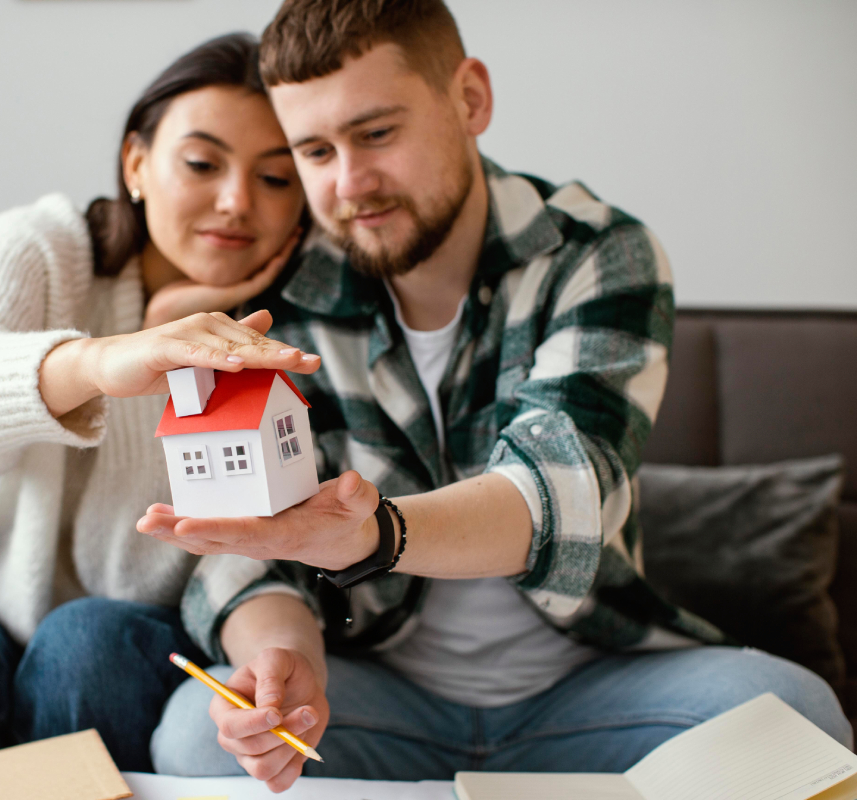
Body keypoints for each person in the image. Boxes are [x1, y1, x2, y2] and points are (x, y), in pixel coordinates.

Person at [140, 1, 852, 791]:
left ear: (470, 99)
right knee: (196, 740)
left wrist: (374, 534)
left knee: (795, 715)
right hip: (381, 694)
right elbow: (247, 554)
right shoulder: (288, 290)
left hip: (594, 687)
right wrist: (285, 665)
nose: (349, 185)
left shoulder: (597, 253)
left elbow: (557, 492)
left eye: (378, 133)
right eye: (314, 150)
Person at [0, 32, 321, 771]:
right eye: (203, 164)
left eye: (275, 179)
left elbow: (256, 547)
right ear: (137, 163)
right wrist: (109, 358)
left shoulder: (291, 338)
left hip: (121, 646)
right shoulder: (39, 248)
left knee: (88, 640)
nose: (236, 201)